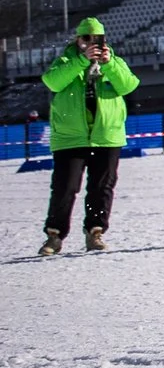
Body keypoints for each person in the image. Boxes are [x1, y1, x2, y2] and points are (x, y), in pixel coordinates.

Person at [37, 17, 138, 255]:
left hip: (106, 136)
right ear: (77, 40)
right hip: (70, 138)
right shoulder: (65, 61)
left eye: (97, 39)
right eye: (86, 39)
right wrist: (81, 61)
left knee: (102, 187)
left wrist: (109, 63)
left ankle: (95, 232)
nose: (91, 43)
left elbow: (128, 85)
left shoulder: (114, 62)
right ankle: (55, 235)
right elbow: (52, 81)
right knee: (65, 187)